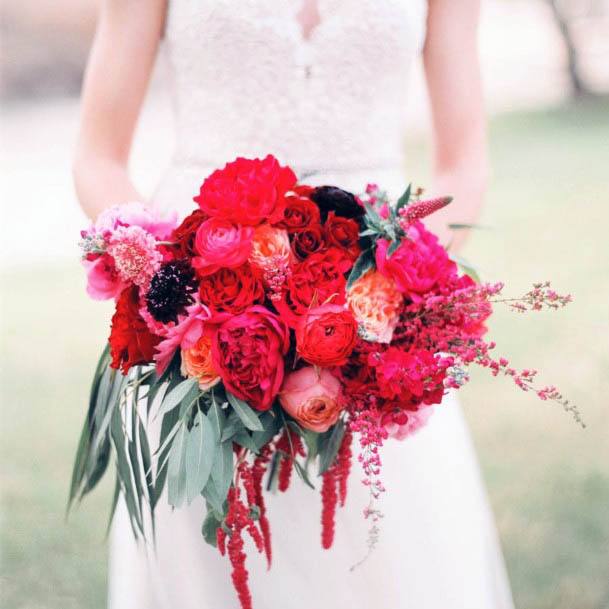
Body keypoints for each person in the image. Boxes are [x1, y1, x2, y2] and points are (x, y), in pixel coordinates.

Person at [73, 1, 514, 607]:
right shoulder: (194, 302)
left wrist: (395, 293)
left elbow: (464, 162)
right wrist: (178, 284)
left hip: (379, 309)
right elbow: (97, 158)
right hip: (202, 313)